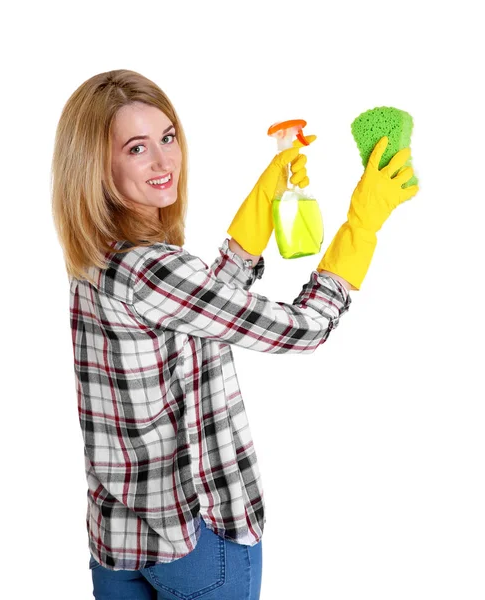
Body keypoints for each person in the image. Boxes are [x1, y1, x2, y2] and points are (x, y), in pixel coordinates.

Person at [51, 69, 418, 600]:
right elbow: (304, 329)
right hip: (197, 546)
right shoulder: (156, 270)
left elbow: (198, 309)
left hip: (118, 544)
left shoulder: (94, 259)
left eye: (168, 137)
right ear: (96, 165)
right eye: (137, 148)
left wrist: (263, 205)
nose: (163, 161)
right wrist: (364, 221)